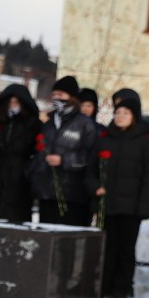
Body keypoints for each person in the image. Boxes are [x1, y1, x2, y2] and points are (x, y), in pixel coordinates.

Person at [95, 93, 149, 298]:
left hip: (131, 206)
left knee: (125, 249)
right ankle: (103, 288)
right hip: (108, 204)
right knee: (107, 248)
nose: (120, 116)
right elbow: (92, 168)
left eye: (125, 113)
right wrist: (96, 188)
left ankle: (121, 290)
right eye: (118, 112)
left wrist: (144, 206)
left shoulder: (145, 142)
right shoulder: (106, 139)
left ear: (135, 116)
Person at [30, 74, 100, 224]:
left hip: (73, 194)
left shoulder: (85, 124)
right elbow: (39, 152)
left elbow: (90, 158)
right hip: (46, 192)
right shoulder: (48, 124)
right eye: (54, 94)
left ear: (72, 97)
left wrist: (64, 160)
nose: (56, 98)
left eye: (60, 94)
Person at [0, 83, 39, 222]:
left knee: (13, 213)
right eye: (10, 102)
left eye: (16, 102)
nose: (13, 105)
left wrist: (27, 169)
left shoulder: (32, 124)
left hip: (18, 175)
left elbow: (37, 150)